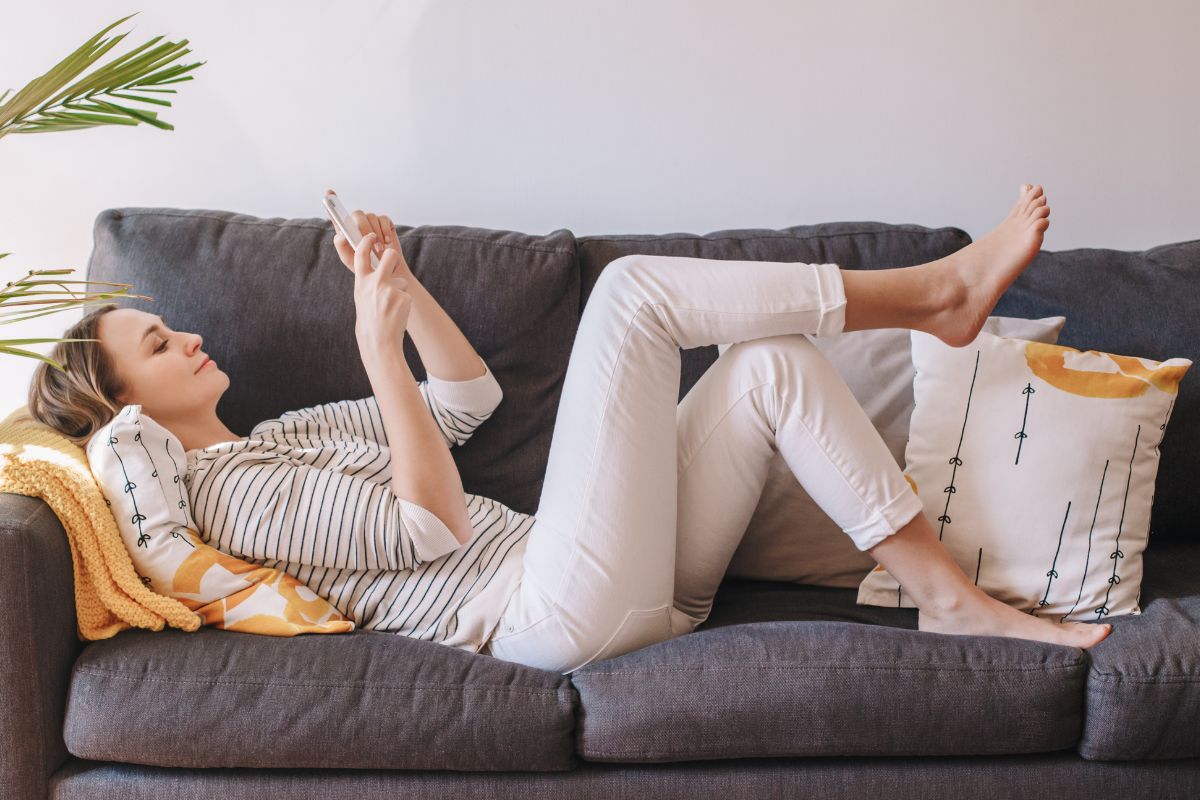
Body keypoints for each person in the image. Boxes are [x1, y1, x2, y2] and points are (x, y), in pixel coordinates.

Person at [27, 182, 1111, 675]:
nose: (191, 336)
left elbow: (466, 404)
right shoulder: (231, 493)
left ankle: (946, 598)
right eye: (161, 344)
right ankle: (932, 294)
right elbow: (431, 528)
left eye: (172, 324)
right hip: (545, 609)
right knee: (633, 292)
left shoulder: (279, 435)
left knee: (770, 363)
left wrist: (403, 288)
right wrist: (372, 343)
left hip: (620, 584)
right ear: (126, 407)